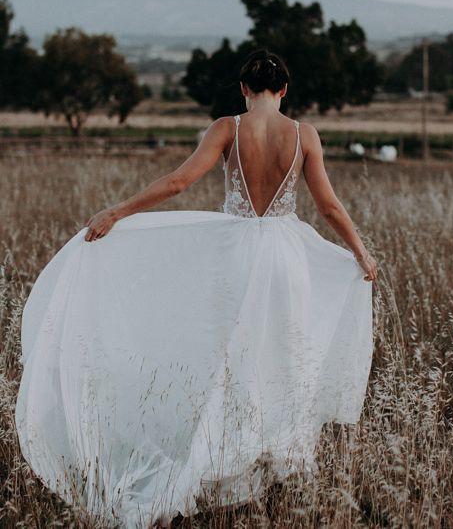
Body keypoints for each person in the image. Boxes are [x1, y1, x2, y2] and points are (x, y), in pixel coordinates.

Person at [14, 49, 376, 528]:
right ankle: (260, 465)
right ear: (284, 90)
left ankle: (219, 459)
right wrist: (360, 253)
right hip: (287, 260)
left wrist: (117, 212)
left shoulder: (227, 128)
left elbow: (180, 182)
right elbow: (328, 206)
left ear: (243, 88)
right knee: (279, 357)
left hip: (237, 256)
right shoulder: (303, 134)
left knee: (226, 360)